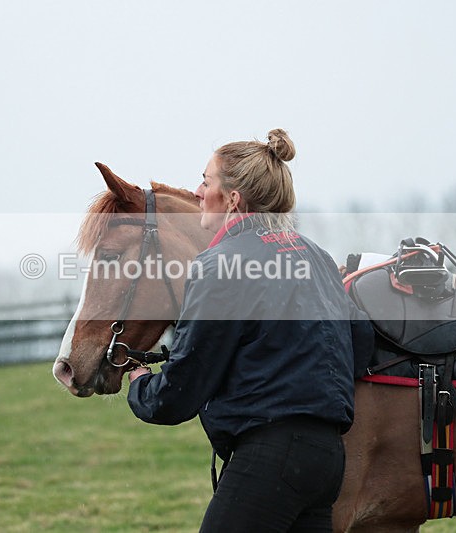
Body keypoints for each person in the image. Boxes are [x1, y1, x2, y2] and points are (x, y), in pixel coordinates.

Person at [126, 129, 373, 532]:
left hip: (270, 458)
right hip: (327, 459)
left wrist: (140, 386)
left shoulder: (217, 265)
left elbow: (182, 389)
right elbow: (358, 346)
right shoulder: (317, 257)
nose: (197, 191)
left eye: (206, 182)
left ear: (233, 199)